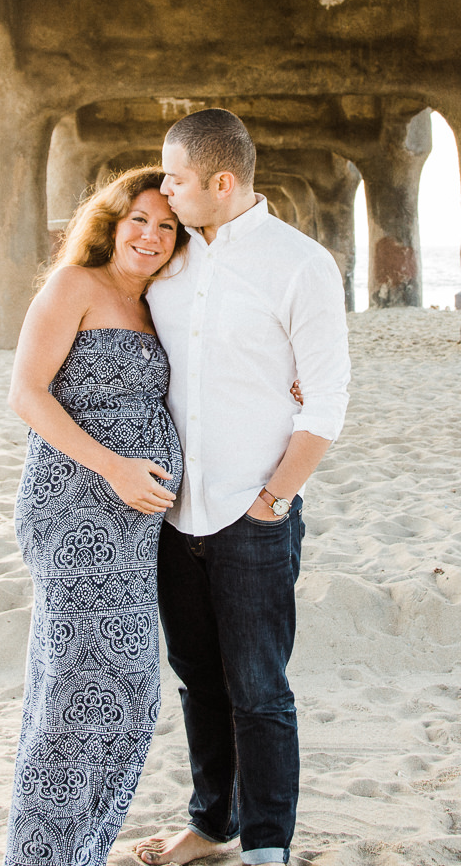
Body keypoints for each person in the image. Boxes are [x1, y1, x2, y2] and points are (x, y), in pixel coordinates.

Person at [134, 109, 352, 866]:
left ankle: (266, 845)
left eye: (178, 178)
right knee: (198, 679)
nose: (165, 190)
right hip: (173, 514)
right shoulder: (171, 264)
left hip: (254, 513)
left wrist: (274, 503)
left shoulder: (300, 265)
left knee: (259, 688)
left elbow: (326, 403)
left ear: (222, 183)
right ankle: (212, 823)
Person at [4, 167, 189, 866]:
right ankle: (43, 856)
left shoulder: (159, 304)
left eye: (166, 226)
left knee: (131, 687)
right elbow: (26, 393)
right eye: (138, 220)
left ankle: (80, 847)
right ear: (110, 221)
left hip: (138, 524)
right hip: (75, 508)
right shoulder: (75, 286)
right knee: (76, 687)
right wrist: (112, 465)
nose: (150, 235)